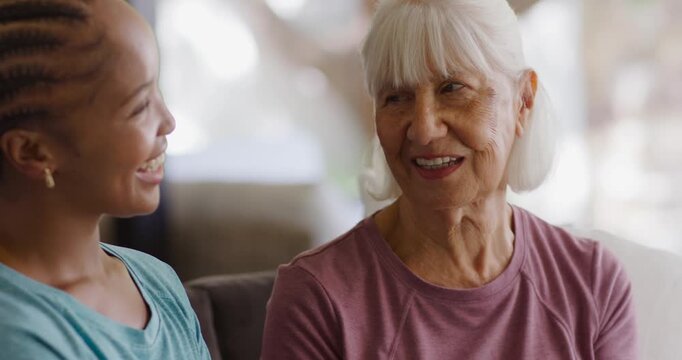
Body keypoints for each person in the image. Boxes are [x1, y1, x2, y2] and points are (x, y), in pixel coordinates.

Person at [261, 0, 638, 359]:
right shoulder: (317, 297)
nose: (423, 129)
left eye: (452, 88)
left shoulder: (592, 282)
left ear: (522, 101)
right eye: (396, 97)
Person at [0, 0, 210, 358]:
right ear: (33, 151)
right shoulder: (15, 334)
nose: (168, 121)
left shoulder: (156, 281)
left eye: (156, 90)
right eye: (140, 106)